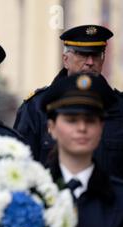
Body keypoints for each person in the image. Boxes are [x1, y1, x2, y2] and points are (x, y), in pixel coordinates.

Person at [14, 25, 123, 180]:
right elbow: (21, 169)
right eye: (82, 55)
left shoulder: (119, 107)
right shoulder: (36, 107)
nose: (90, 62)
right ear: (66, 59)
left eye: (96, 55)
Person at [42, 73, 123, 227]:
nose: (82, 128)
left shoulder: (118, 198)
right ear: (51, 128)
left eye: (90, 120)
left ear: (101, 127)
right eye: (71, 120)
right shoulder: (33, 194)